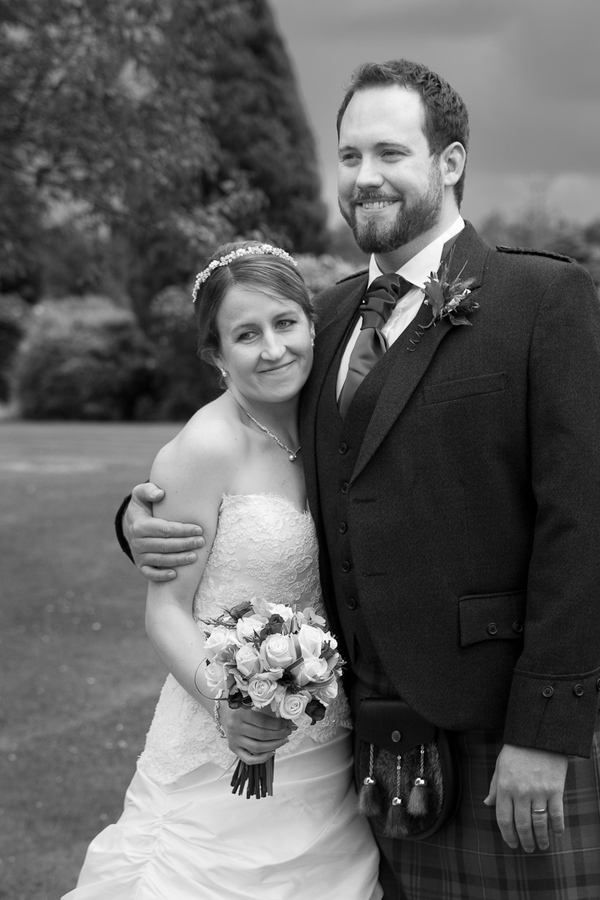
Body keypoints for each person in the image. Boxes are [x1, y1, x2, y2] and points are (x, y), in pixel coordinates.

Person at [117, 60, 600, 899]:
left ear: (450, 162)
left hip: (503, 732)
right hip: (362, 743)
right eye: (348, 156)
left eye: (389, 152)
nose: (364, 176)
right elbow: (264, 453)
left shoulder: (543, 297)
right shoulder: (327, 318)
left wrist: (546, 731)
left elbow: (583, 517)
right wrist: (137, 516)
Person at [63, 241, 382, 900]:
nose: (273, 349)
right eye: (246, 334)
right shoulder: (203, 448)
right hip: (219, 754)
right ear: (216, 354)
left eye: (285, 323)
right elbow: (165, 611)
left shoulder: (330, 427)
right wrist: (226, 707)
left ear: (312, 325)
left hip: (327, 749)